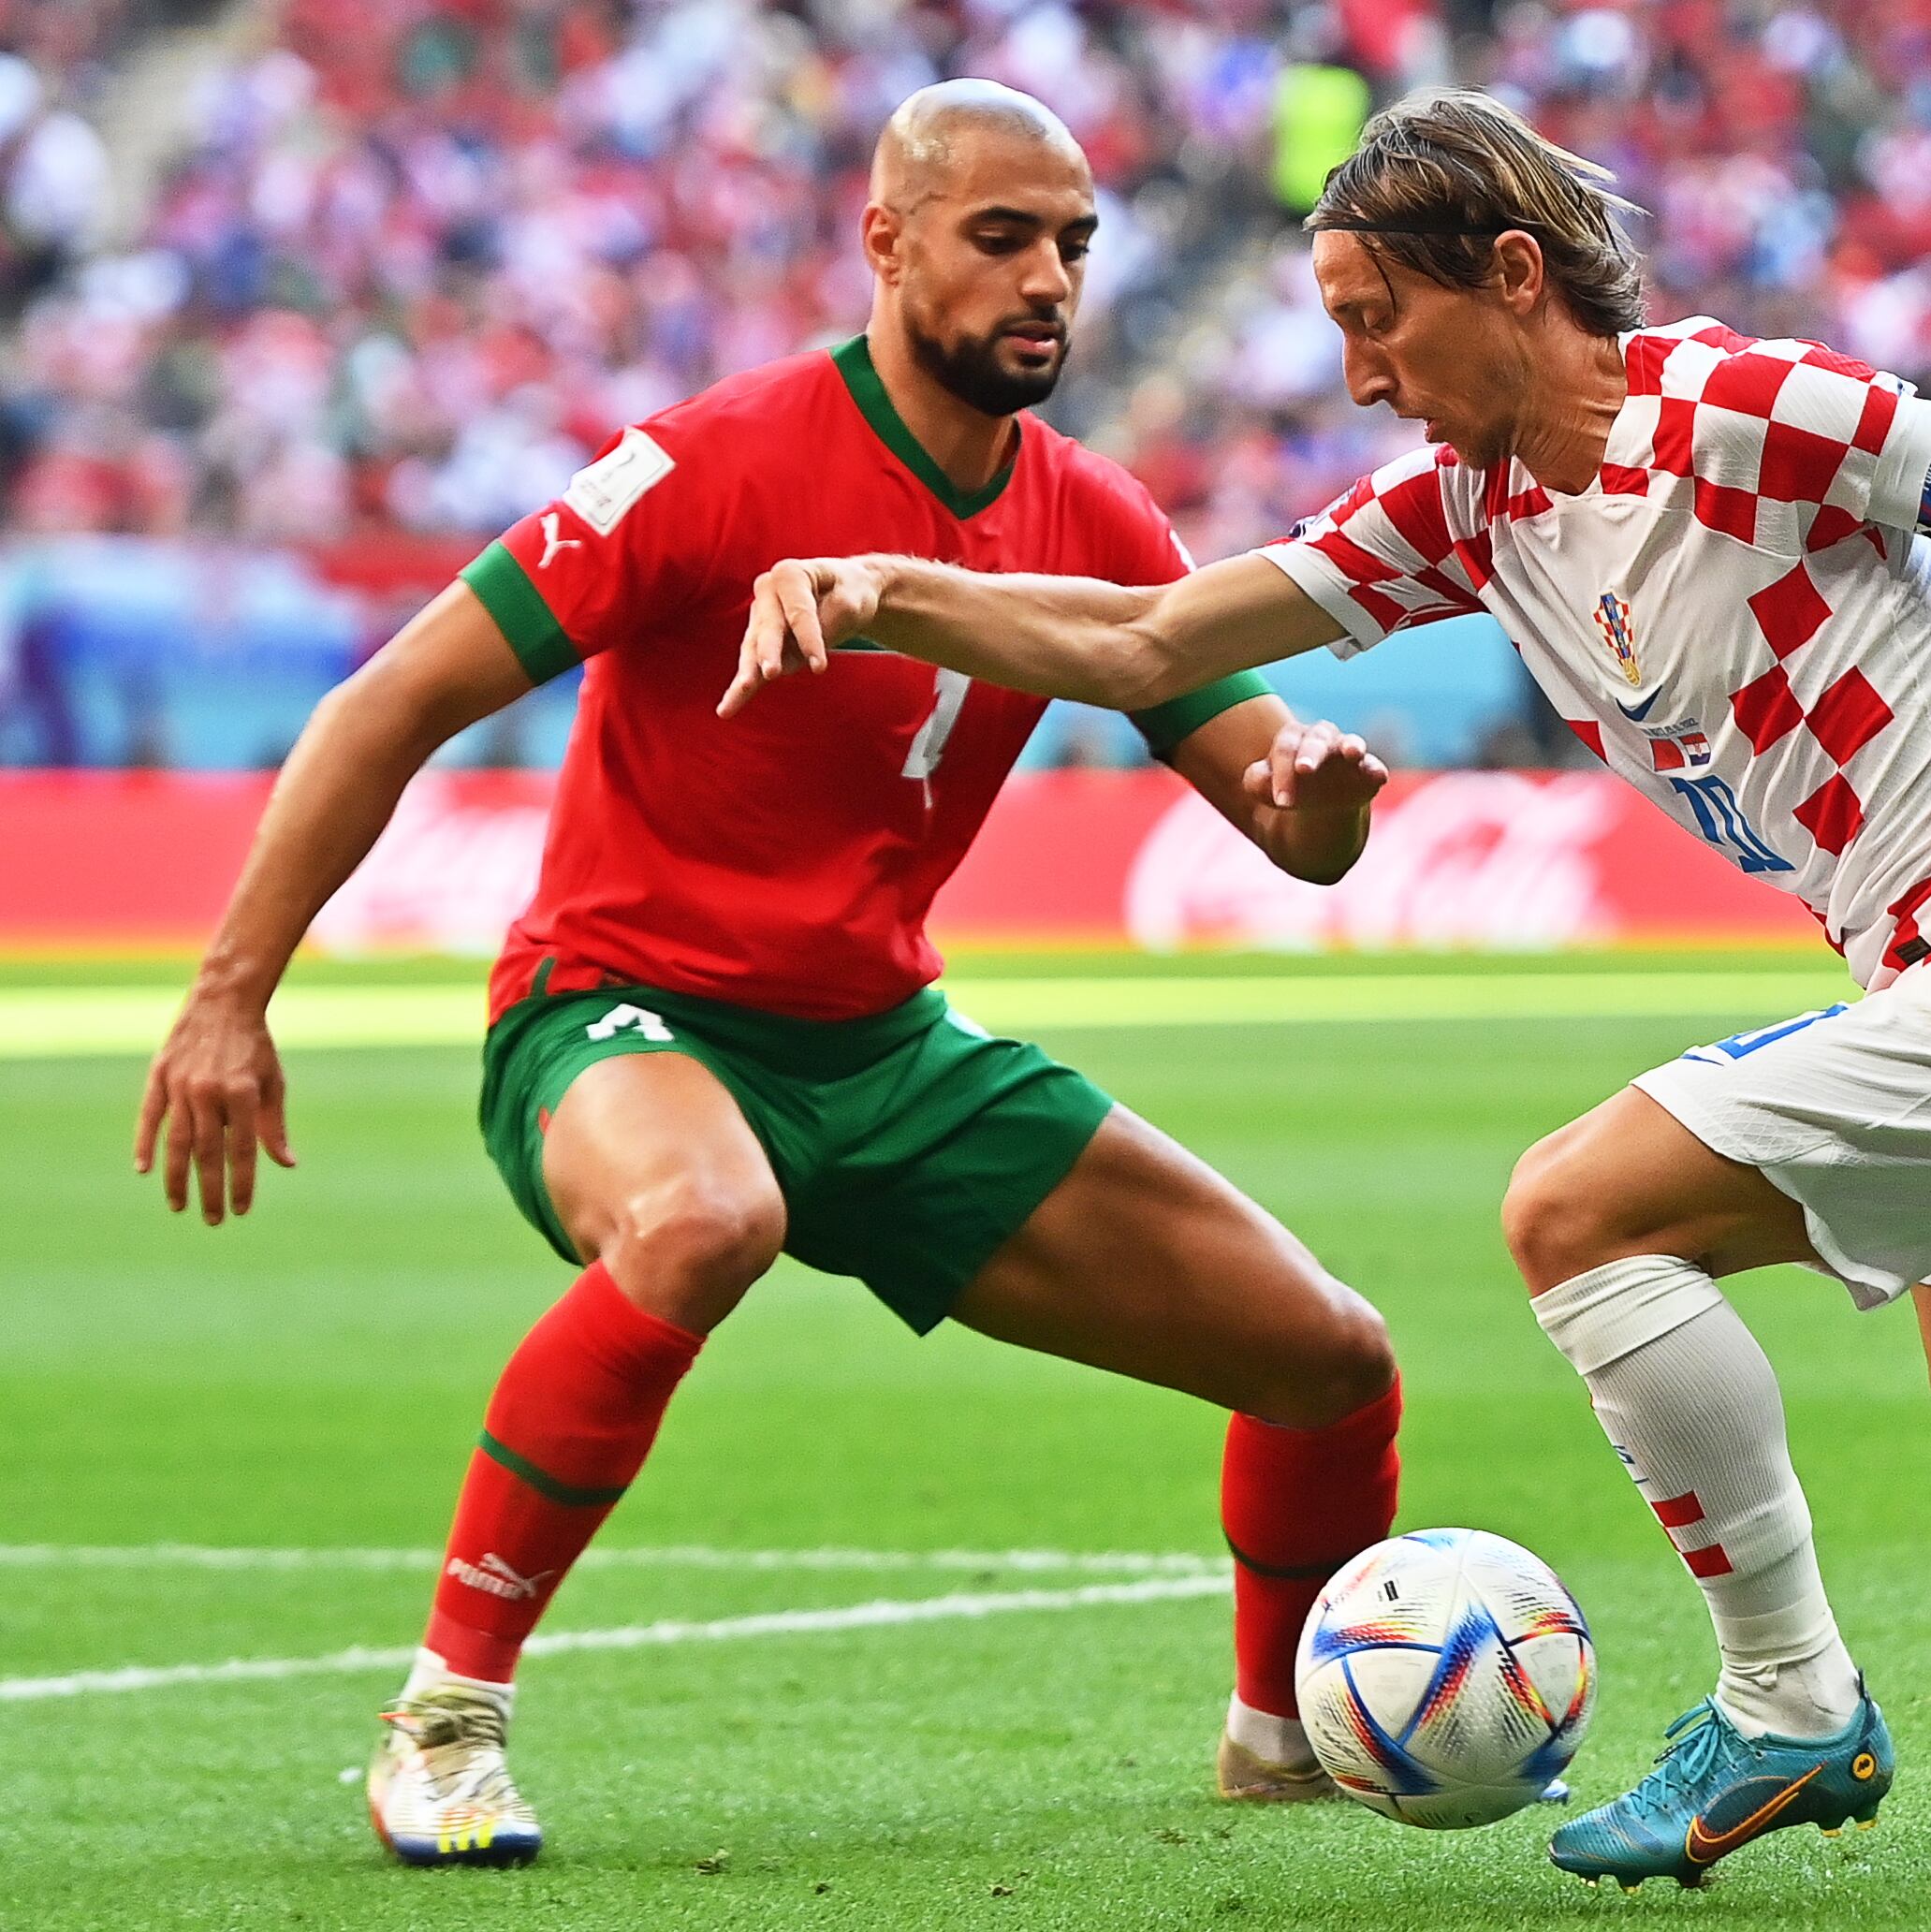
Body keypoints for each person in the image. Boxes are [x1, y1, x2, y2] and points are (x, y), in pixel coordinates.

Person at [724, 89, 1931, 1888]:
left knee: (1575, 1212)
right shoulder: (1470, 512)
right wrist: (881, 592)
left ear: (1508, 274)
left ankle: (1790, 1702)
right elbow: (1148, 637)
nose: (1358, 375)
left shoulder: (1732, 408)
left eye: (1375, 320)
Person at [134, 82, 1408, 1868]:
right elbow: (388, 703)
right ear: (885, 244)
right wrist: (226, 994)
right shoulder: (710, 463)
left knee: (1329, 1358)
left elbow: (1290, 825)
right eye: (1000, 238)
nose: (1048, 279)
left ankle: (1282, 1733)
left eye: (1073, 246)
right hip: (615, 1015)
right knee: (701, 1218)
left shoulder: (1101, 524)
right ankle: (443, 1721)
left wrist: (1318, 804)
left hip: (886, 1049)